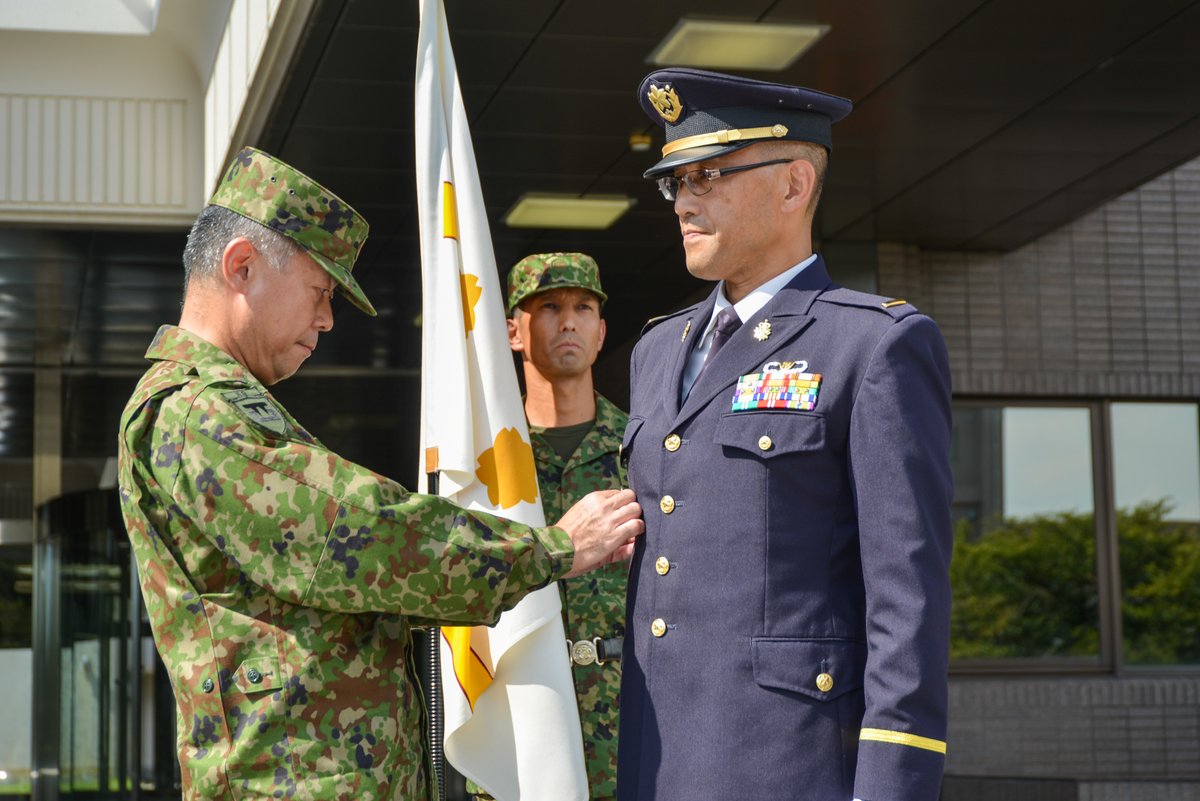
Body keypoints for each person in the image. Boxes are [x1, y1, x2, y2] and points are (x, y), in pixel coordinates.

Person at [116, 147, 643, 801]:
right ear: (242, 266)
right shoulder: (192, 408)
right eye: (320, 290)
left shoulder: (221, 407)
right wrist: (555, 548)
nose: (326, 318)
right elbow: (358, 535)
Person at [616, 68, 954, 801]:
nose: (686, 201)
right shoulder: (656, 350)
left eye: (708, 175)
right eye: (676, 182)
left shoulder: (874, 345)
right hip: (657, 765)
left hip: (788, 770)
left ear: (795, 184)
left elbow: (908, 607)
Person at [471, 252, 629, 800]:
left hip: (627, 727)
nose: (568, 321)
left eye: (583, 307)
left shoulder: (646, 452)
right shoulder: (485, 466)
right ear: (514, 331)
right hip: (519, 722)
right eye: (549, 307)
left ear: (602, 332)